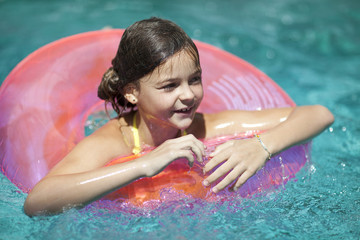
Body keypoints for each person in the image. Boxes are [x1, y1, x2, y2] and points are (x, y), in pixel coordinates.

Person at [24, 17, 334, 216]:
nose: (188, 95)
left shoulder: (205, 126)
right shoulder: (112, 140)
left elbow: (318, 114)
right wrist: (144, 163)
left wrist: (260, 147)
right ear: (132, 92)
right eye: (170, 85)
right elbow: (37, 202)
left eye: (194, 79)